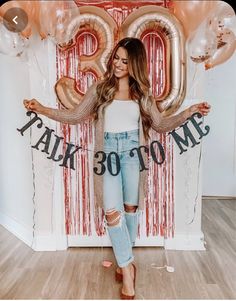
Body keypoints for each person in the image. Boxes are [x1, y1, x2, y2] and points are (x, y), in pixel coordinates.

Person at [23, 37, 211, 299]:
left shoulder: (143, 94)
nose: (118, 64)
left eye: (125, 60)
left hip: (134, 153)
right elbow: (76, 116)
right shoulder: (101, 89)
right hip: (107, 153)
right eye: (116, 58)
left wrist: (190, 111)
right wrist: (41, 108)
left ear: (134, 64)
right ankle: (128, 271)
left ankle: (125, 264)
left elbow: (161, 125)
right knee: (112, 212)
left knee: (130, 209)